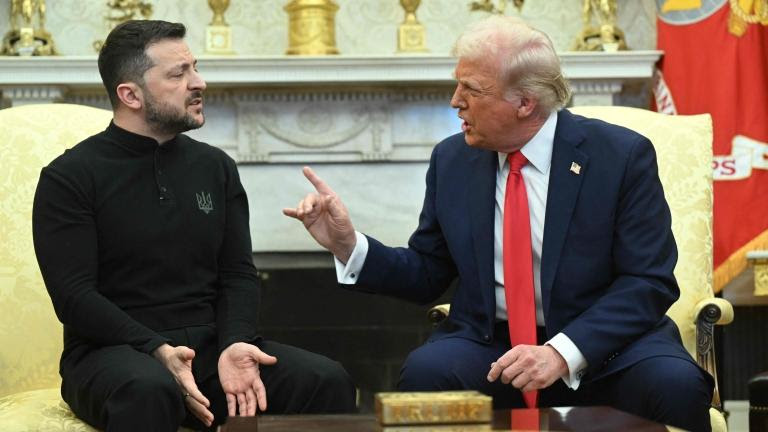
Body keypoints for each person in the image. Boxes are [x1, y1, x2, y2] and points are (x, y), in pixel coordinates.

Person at [284, 16, 714, 432]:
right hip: (493, 344)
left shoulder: (620, 156)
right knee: (427, 372)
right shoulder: (453, 159)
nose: (455, 100)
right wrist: (348, 245)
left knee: (675, 385)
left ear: (525, 102)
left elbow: (648, 281)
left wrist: (561, 353)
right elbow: (429, 271)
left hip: (607, 345)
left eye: (471, 89)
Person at [32, 20, 355, 432]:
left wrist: (235, 342)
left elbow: (237, 273)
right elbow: (75, 297)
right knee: (148, 390)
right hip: (113, 353)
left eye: (194, 68)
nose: (198, 82)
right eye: (178, 74)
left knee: (326, 381)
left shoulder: (216, 167)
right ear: (130, 94)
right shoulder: (69, 176)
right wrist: (156, 349)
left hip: (210, 349)